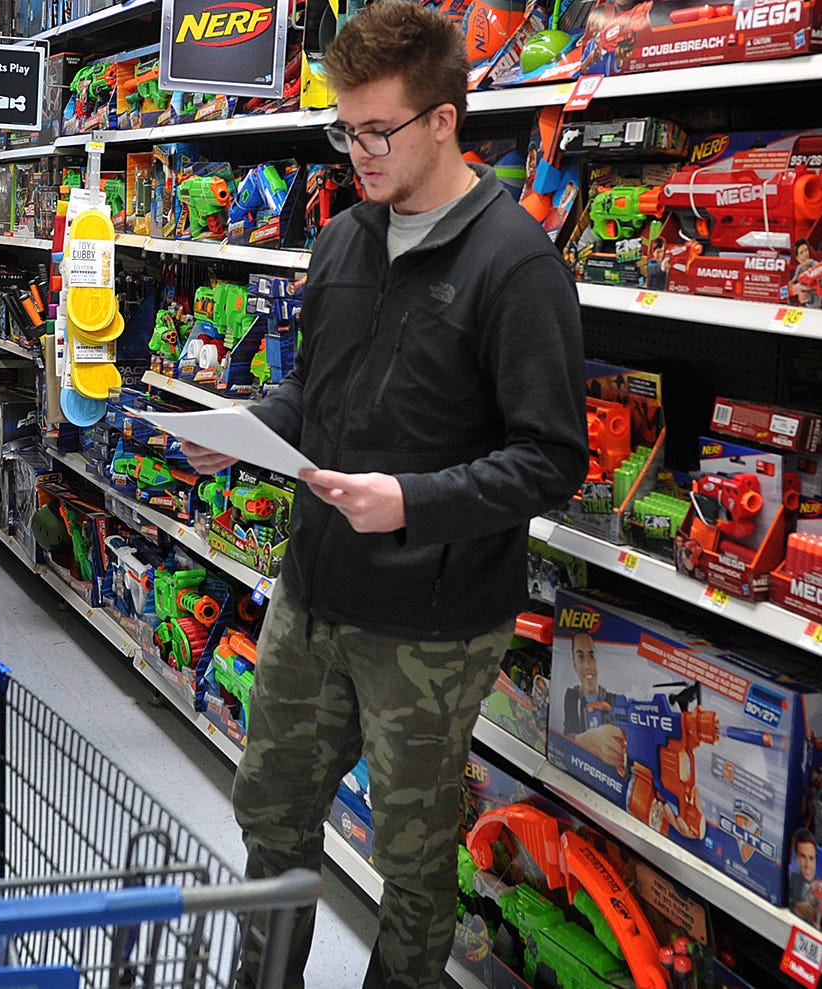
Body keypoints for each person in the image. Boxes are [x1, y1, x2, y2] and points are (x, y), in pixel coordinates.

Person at [177, 4, 588, 986]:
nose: (355, 151)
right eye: (343, 129)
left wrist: (410, 500)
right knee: (269, 818)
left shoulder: (517, 265)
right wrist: (234, 436)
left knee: (409, 865)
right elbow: (313, 395)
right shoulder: (344, 241)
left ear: (443, 119)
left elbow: (549, 458)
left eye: (376, 131)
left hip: (433, 625)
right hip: (313, 589)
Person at [561, 631, 625, 766]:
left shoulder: (613, 700)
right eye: (580, 657)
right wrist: (591, 738)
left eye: (591, 656)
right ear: (574, 664)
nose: (587, 665)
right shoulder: (572, 696)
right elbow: (566, 737)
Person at [793, 830, 821, 924]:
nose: (807, 865)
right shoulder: (791, 880)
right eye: (803, 857)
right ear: (796, 857)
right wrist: (795, 908)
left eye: (811, 858)